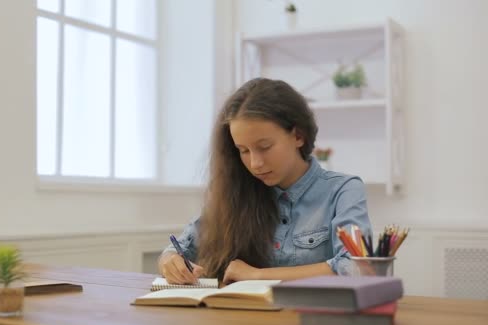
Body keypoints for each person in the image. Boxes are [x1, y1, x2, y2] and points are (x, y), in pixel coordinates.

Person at [158, 77, 372, 285]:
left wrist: (256, 275)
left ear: (298, 135)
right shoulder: (236, 190)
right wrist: (170, 261)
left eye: (264, 147)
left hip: (315, 319)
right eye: (243, 150)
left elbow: (356, 267)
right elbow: (179, 249)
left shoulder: (343, 190)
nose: (255, 163)